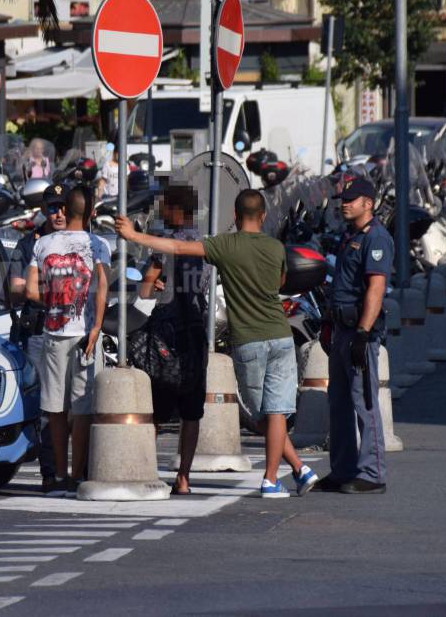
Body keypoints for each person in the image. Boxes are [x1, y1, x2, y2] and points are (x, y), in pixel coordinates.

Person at [116, 189, 319, 499]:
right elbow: (280, 283)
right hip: (280, 336)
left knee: (260, 414)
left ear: (235, 217)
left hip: (249, 339)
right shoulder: (276, 247)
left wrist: (133, 235)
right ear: (263, 216)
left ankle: (277, 475)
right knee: (277, 412)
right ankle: (292, 471)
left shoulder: (224, 245)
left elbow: (175, 247)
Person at [26, 186, 110, 498]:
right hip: (85, 333)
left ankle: (59, 473)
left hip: (53, 332)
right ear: (90, 213)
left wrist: (56, 300)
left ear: (68, 211)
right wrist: (97, 325)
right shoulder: (98, 243)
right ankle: (78, 474)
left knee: (56, 409)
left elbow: (32, 291)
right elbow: (103, 285)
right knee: (84, 408)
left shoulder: (42, 244)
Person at [315, 175, 392, 494]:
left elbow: (375, 288)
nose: (345, 204)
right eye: (343, 199)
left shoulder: (376, 238)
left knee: (364, 402)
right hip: (342, 328)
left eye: (351, 199)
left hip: (360, 330)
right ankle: (343, 469)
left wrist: (362, 334)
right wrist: (329, 323)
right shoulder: (349, 235)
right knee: (339, 402)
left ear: (368, 203)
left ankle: (372, 474)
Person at [136, 183, 209, 495]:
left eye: (166, 205)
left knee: (158, 406)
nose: (162, 210)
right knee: (192, 410)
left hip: (166, 335)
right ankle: (184, 477)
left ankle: (146, 470)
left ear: (177, 210)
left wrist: (156, 284)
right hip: (197, 332)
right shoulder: (206, 245)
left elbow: (145, 289)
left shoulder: (163, 245)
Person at [9, 183, 67, 493]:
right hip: (40, 330)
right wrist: (52, 290)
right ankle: (50, 471)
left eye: (63, 207)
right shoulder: (28, 244)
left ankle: (76, 470)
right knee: (46, 406)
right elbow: (17, 288)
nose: (58, 213)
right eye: (52, 207)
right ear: (43, 210)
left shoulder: (78, 241)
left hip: (72, 329)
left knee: (75, 404)